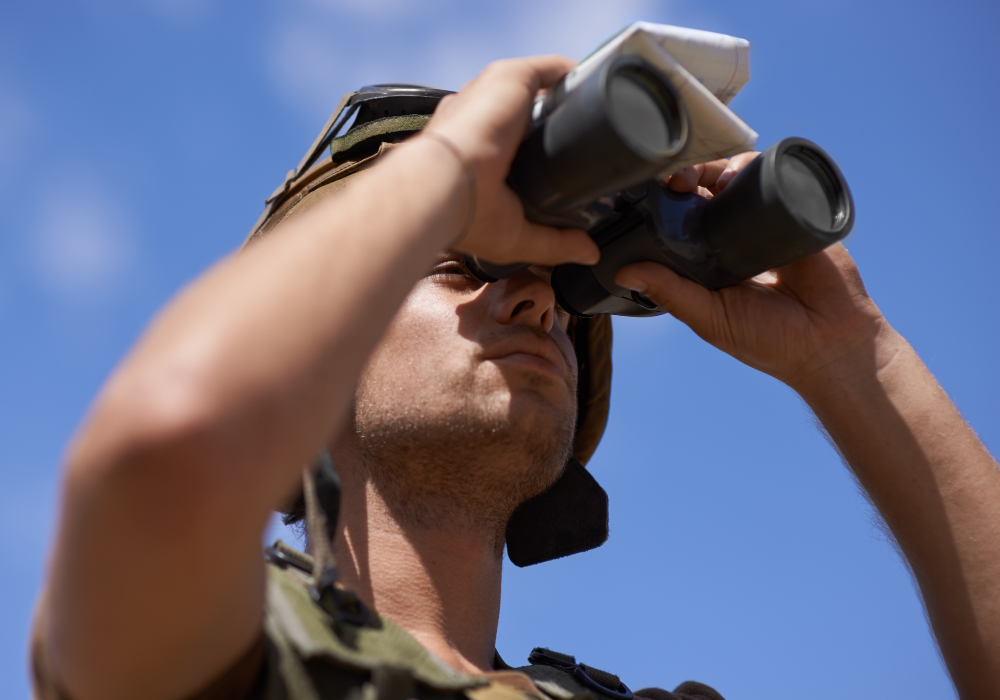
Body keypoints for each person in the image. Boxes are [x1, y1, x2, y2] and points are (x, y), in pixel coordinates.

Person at [30, 55, 1000, 700]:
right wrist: (447, 167)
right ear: (317, 352)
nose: (535, 305)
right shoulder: (220, 650)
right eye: (465, 267)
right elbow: (162, 455)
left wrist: (851, 356)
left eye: (561, 297)